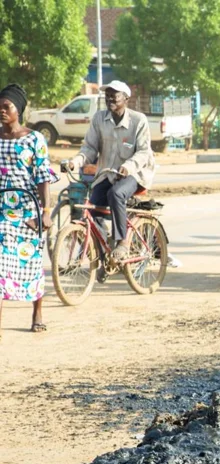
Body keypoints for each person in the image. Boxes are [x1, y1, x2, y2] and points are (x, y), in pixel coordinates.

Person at [64, 80, 154, 262]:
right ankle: (103, 254)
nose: (110, 98)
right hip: (107, 173)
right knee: (92, 209)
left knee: (116, 194)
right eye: (108, 95)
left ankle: (121, 242)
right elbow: (89, 148)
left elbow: (145, 152)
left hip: (135, 174)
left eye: (115, 95)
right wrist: (75, 162)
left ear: (126, 98)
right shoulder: (99, 119)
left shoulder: (138, 120)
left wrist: (128, 166)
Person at [0, 84, 56, 337]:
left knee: (32, 263)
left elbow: (43, 177)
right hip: (2, 210)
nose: (1, 111)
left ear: (18, 110)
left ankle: (38, 312)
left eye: (6, 107)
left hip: (28, 211)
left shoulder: (35, 139)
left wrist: (46, 212)